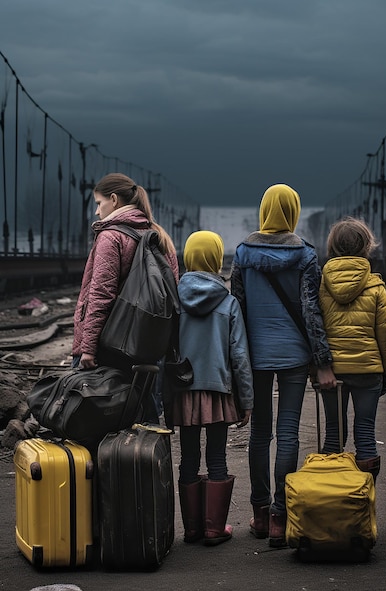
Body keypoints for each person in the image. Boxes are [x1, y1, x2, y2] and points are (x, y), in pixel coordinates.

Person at [231, 183, 336, 548]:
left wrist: (235, 362)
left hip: (255, 358)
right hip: (294, 356)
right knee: (288, 432)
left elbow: (237, 311)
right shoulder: (306, 255)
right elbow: (311, 312)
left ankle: (260, 515)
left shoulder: (243, 253)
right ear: (292, 211)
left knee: (260, 434)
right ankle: (280, 517)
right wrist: (323, 362)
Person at [171, 230, 253, 547]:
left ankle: (191, 529)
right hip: (218, 392)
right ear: (217, 258)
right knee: (217, 456)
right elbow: (240, 356)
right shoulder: (228, 302)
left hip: (185, 391)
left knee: (188, 457)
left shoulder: (175, 298)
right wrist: (246, 400)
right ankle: (214, 528)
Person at [72, 172, 179, 373]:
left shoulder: (111, 237)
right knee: (143, 401)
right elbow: (173, 292)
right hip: (149, 345)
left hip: (110, 344)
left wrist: (88, 349)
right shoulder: (160, 237)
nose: (96, 212)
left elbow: (101, 296)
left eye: (98, 203)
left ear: (113, 199)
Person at [319, 217, 386, 483]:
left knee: (332, 434)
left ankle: (332, 500)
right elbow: (384, 334)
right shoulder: (375, 285)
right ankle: (364, 502)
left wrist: (316, 367)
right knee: (365, 432)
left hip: (333, 371)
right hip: (368, 371)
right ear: (366, 246)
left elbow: (316, 328)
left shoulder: (321, 284)